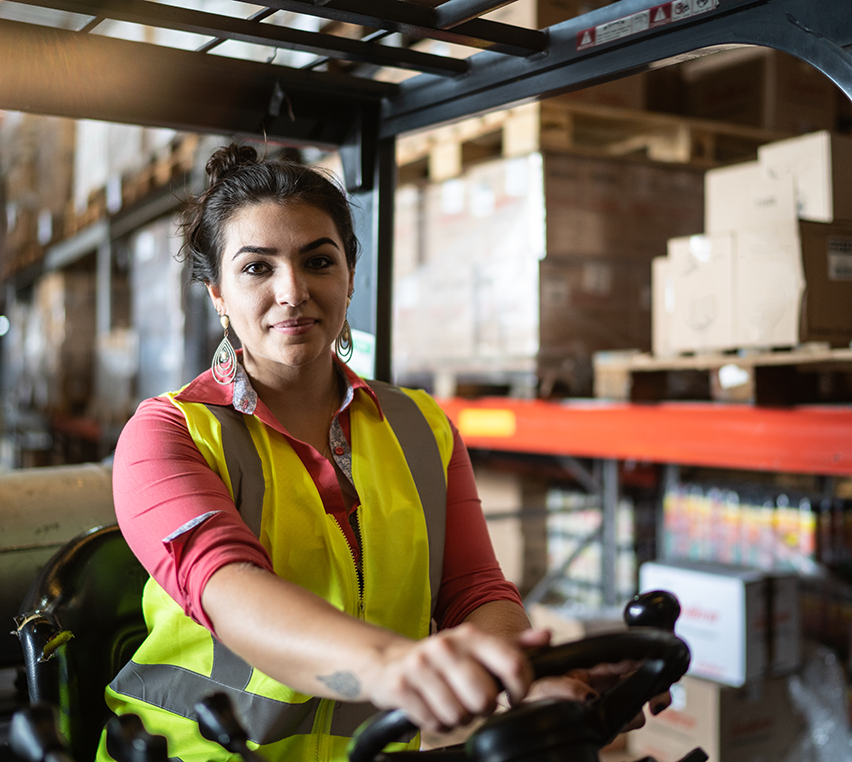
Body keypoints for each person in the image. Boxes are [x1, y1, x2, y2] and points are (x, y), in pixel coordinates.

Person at [99, 143, 660, 762]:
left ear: (350, 276)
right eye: (257, 268)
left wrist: (528, 680)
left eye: (318, 261)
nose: (293, 291)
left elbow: (473, 591)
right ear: (217, 295)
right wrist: (397, 665)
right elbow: (232, 593)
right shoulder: (168, 435)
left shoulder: (422, 427)